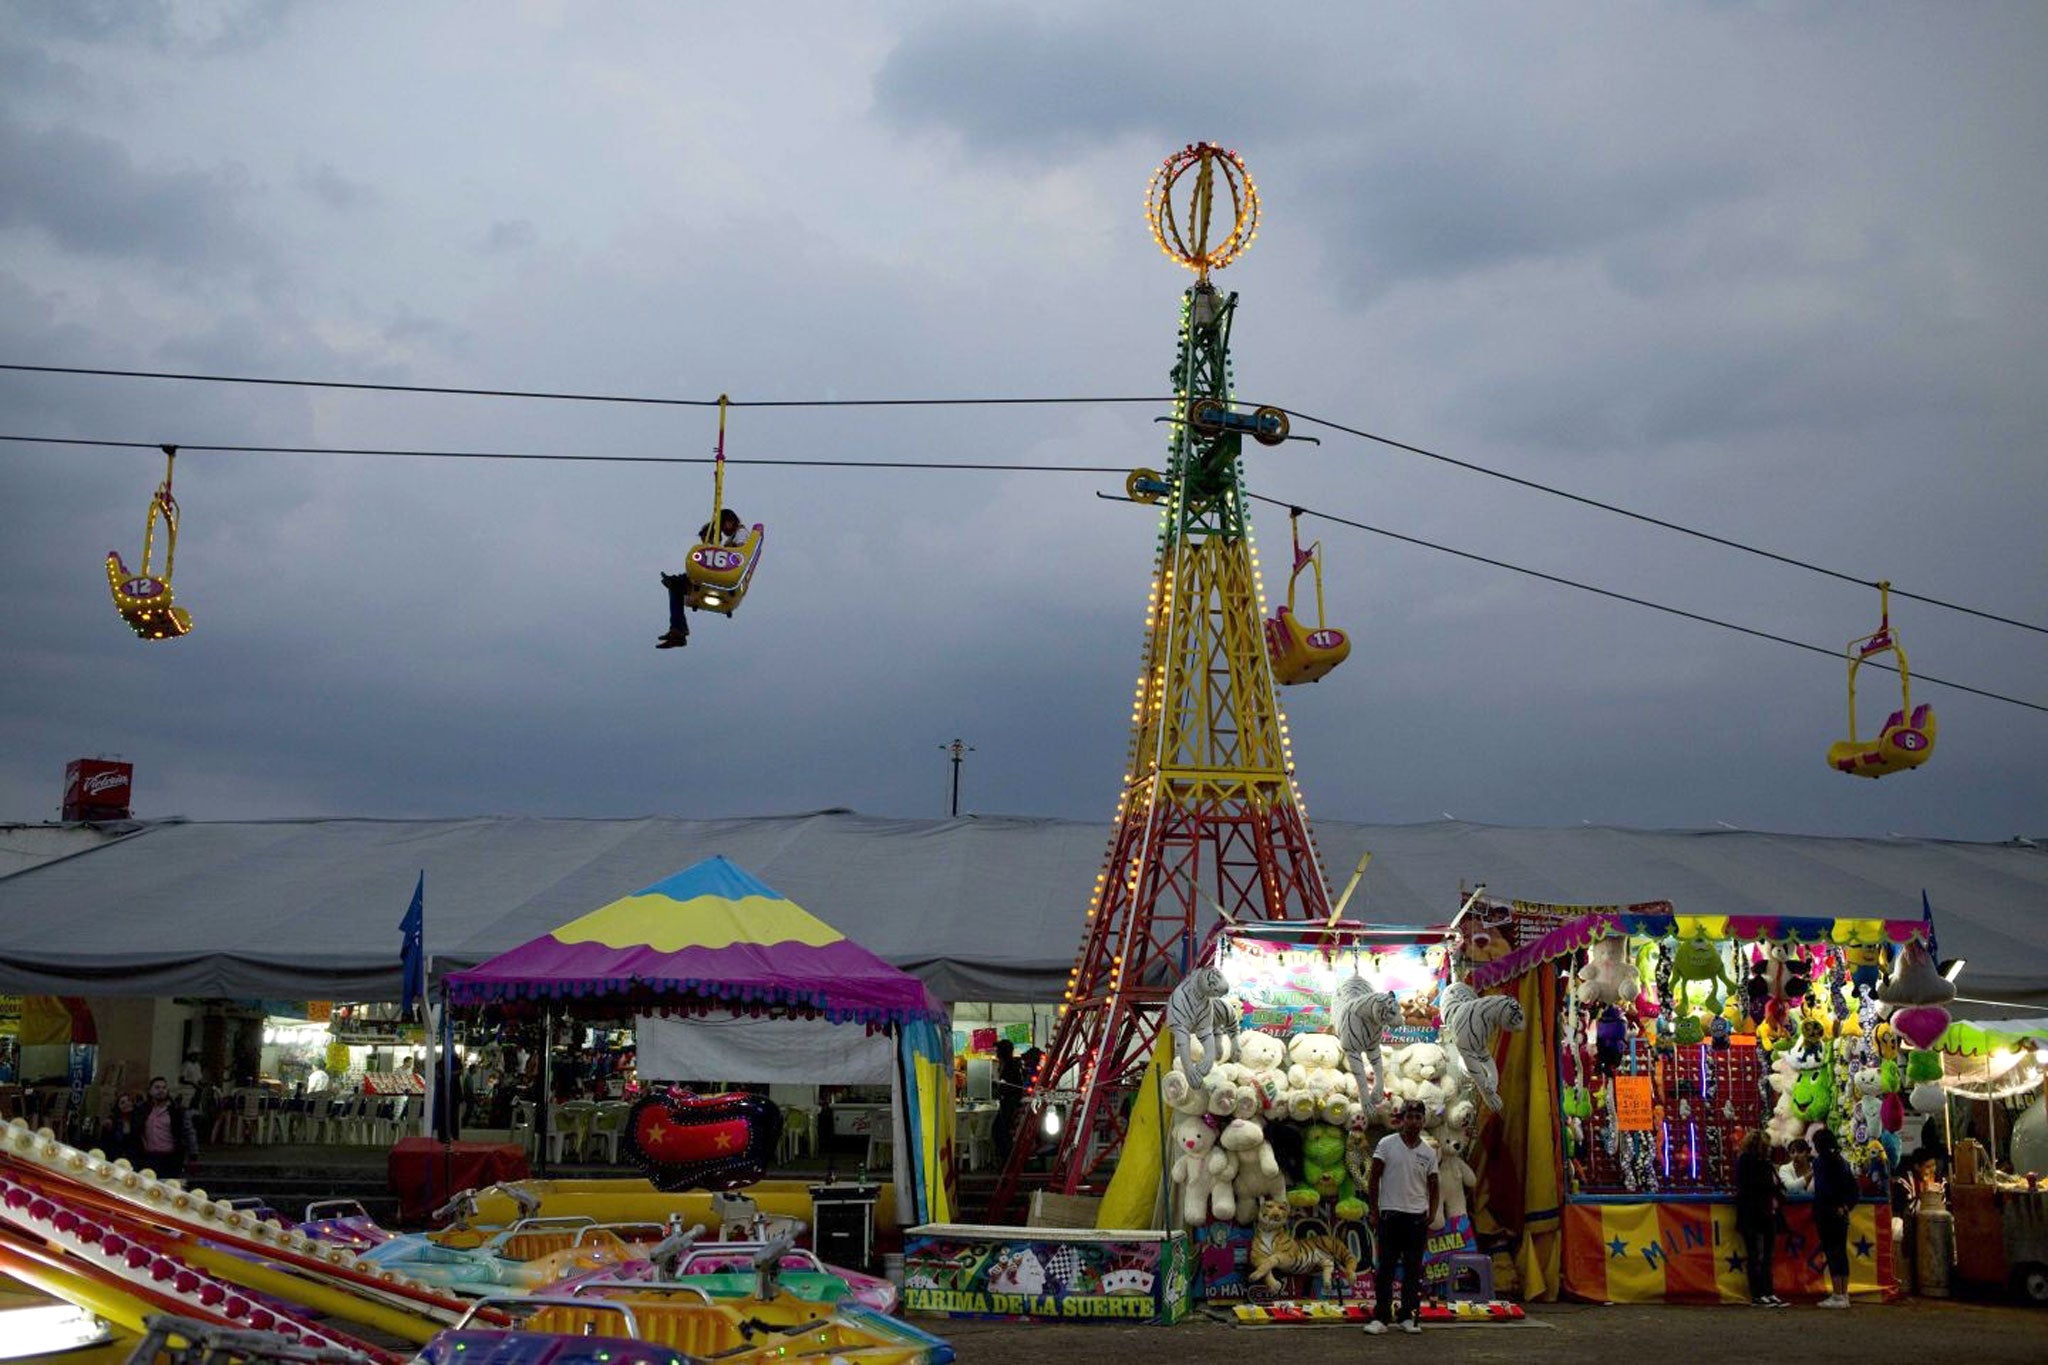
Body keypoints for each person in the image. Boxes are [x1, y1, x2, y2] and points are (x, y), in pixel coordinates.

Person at [1362, 1099, 1439, 1335]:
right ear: (1401, 1119)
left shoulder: (1428, 1152)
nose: (1414, 1121)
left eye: (1418, 1117)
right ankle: (1381, 1318)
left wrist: (1432, 1213)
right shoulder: (1386, 1144)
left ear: (1423, 1121)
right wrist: (1374, 1211)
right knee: (1385, 1268)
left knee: (1412, 1270)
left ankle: (1407, 1316)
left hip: (1416, 1218)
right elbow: (1373, 1179)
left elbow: (1434, 1185)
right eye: (1409, 1116)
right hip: (1390, 1215)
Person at [658, 508, 746, 649]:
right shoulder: (732, 538)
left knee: (675, 584)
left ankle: (678, 628)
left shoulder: (741, 534)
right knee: (674, 588)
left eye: (723, 527)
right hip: (717, 576)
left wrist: (715, 546)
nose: (724, 532)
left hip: (721, 578)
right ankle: (677, 630)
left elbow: (740, 553)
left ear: (730, 522)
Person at [1734, 1126, 1787, 1306]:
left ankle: (1767, 1292)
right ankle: (1759, 1293)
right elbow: (1758, 1186)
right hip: (1755, 1214)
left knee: (1763, 1256)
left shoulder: (1756, 1163)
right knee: (1757, 1255)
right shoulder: (1754, 1163)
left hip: (1761, 1214)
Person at [1809, 1128, 1859, 1308]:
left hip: (1826, 1212)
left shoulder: (1820, 1163)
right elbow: (1854, 1189)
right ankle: (1843, 1293)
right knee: (1841, 1253)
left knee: (1832, 1253)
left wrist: (1832, 1205)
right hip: (1841, 1214)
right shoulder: (1843, 1162)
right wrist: (1845, 1206)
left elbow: (1823, 1189)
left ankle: (1838, 1294)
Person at [137, 1076, 197, 1179]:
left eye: (164, 1088)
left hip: (171, 1158)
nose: (161, 1090)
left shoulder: (177, 1111)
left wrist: (193, 1154)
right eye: (157, 1087)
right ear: (150, 1091)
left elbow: (189, 1132)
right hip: (149, 1157)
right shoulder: (143, 1110)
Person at [992, 1040, 1025, 1157]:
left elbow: (1010, 1087)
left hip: (1009, 1103)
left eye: (997, 1051)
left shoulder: (1010, 1066)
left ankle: (1006, 1158)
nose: (996, 1053)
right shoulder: (1009, 1065)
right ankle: (1005, 1157)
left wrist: (999, 1088)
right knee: (1000, 1131)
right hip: (1008, 1102)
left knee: (1000, 1131)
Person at [100, 1091, 144, 1165]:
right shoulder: (112, 1122)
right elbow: (105, 1144)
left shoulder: (137, 1120)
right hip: (114, 1160)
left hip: (132, 1161)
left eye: (129, 1101)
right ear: (118, 1107)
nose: (127, 1103)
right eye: (122, 1102)